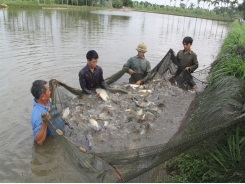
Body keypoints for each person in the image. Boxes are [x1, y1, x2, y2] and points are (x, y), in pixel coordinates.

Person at [30, 80, 52, 145]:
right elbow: (39, 141)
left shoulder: (46, 101)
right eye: (49, 91)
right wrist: (45, 122)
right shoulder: (37, 115)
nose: (50, 92)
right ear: (42, 96)